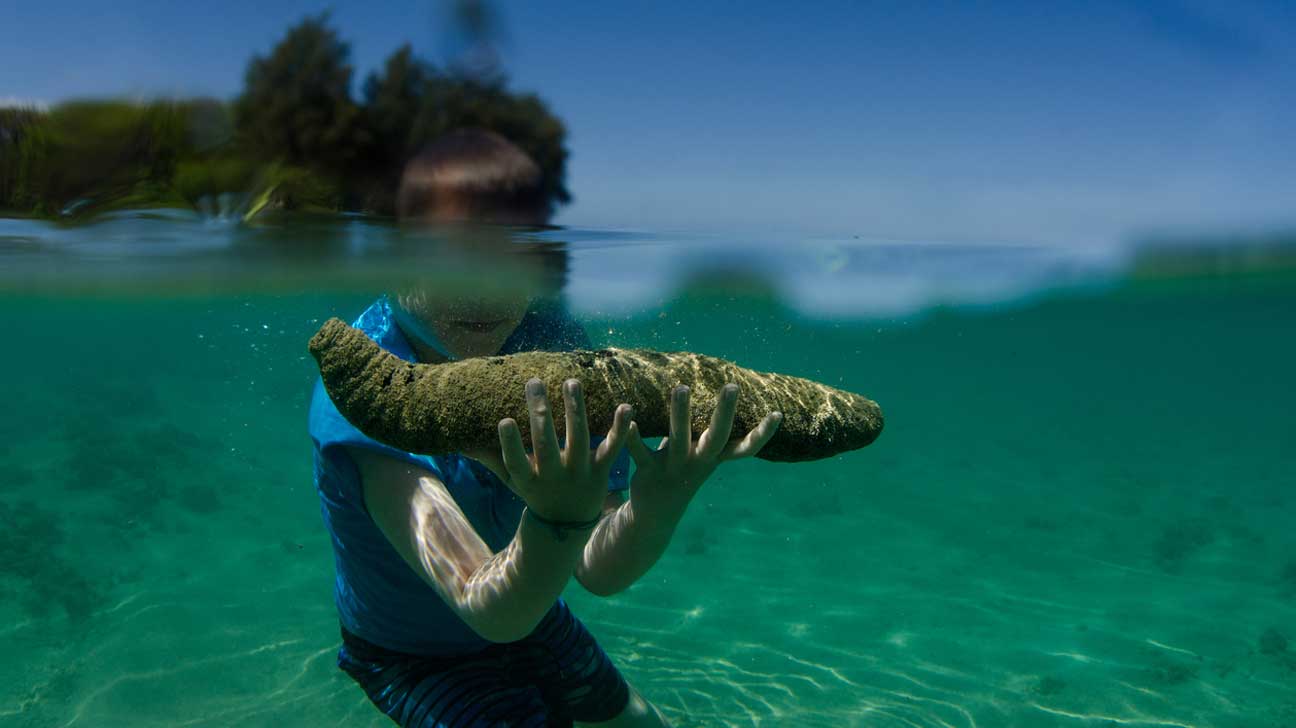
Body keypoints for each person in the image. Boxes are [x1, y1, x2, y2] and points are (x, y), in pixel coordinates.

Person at [308, 128, 782, 727]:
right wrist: (560, 519)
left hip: (534, 603)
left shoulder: (551, 344)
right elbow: (487, 605)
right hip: (413, 653)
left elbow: (599, 570)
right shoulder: (367, 395)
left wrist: (656, 501)